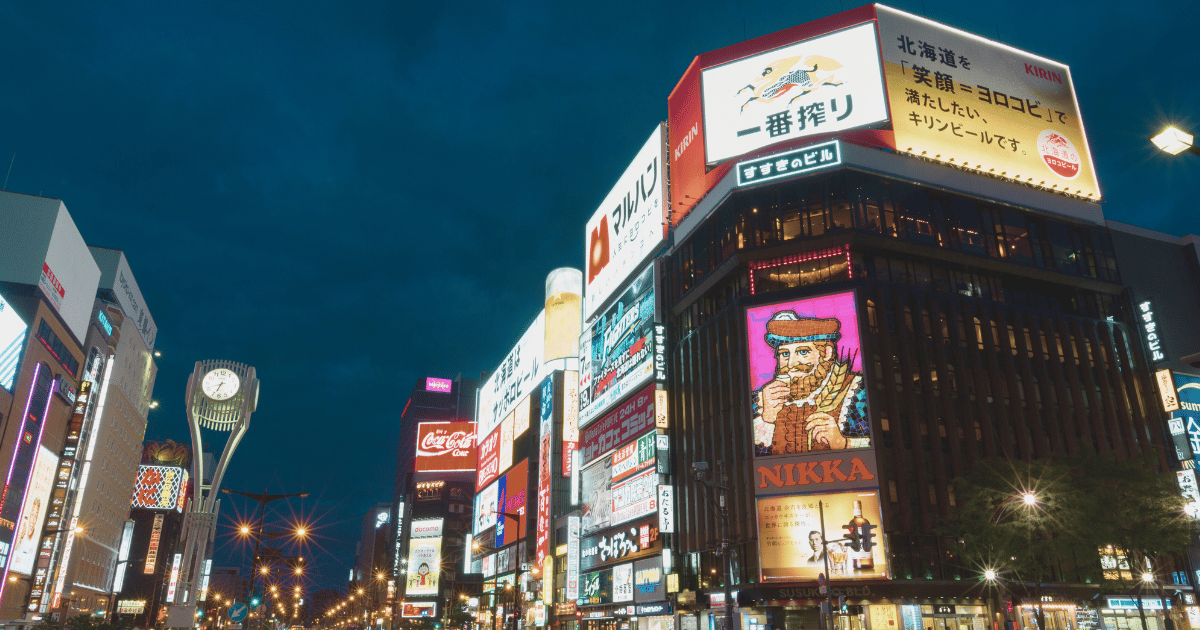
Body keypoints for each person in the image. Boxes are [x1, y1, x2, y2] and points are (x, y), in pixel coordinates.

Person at [752, 310, 869, 455]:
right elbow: (747, 456)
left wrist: (844, 443)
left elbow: (880, 444)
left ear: (826, 353)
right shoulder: (760, 400)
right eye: (785, 354)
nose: (791, 363)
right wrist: (767, 419)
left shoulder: (858, 391)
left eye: (803, 352)